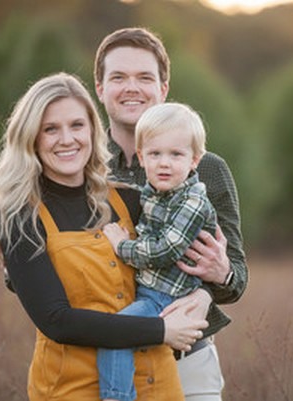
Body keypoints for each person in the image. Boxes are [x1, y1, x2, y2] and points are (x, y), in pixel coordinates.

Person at [0, 72, 208, 401]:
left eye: (77, 125)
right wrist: (161, 330)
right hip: (73, 389)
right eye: (51, 129)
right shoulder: (19, 220)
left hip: (159, 386)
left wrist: (206, 292)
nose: (67, 139)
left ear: (93, 131)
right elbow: (57, 321)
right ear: (31, 138)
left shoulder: (131, 199)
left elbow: (186, 255)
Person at [94, 27, 249, 400]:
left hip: (187, 358)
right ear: (100, 88)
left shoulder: (207, 168)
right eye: (119, 77)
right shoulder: (82, 167)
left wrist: (214, 285)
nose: (132, 87)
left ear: (163, 88)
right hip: (102, 352)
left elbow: (237, 277)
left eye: (145, 77)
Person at [97, 102, 217, 401]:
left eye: (176, 154)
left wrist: (122, 246)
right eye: (155, 154)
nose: (164, 163)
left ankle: (116, 398)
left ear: (194, 160)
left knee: (115, 335)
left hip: (167, 298)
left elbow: (167, 249)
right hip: (149, 292)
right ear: (141, 157)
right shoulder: (154, 192)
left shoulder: (193, 202)